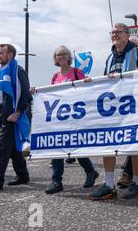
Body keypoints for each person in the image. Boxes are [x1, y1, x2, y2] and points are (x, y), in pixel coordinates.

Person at [89, 23, 138, 200]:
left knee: (135, 145)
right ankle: (109, 184)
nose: (114, 35)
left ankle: (137, 183)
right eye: (112, 32)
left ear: (126, 35)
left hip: (133, 106)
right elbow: (105, 82)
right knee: (108, 143)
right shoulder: (110, 57)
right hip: (113, 109)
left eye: (117, 32)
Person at [33, 46, 100, 194]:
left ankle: (90, 171)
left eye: (64, 54)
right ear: (55, 58)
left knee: (76, 148)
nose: (61, 56)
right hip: (59, 118)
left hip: (75, 116)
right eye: (58, 55)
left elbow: (86, 91)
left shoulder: (77, 72)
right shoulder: (55, 77)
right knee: (57, 147)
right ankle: (56, 181)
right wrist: (37, 92)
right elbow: (51, 95)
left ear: (69, 57)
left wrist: (88, 83)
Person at [0, 44, 31, 193]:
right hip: (1, 113)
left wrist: (18, 112)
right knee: (12, 148)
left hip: (12, 115)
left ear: (10, 55)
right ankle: (23, 175)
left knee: (2, 148)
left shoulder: (18, 70)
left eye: (0, 53)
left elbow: (26, 95)